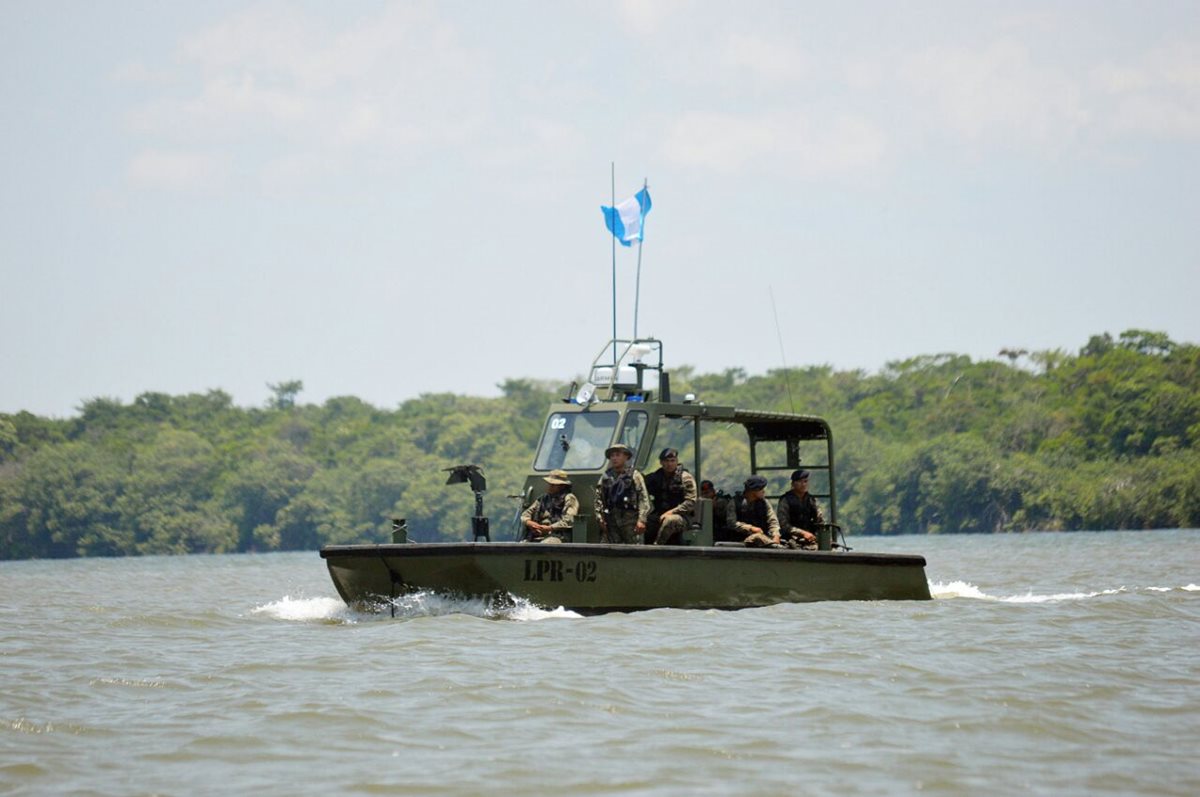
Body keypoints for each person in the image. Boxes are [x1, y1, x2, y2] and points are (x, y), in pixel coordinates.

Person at [594, 443, 649, 544]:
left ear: (626, 457)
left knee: (635, 552)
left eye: (618, 455)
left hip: (630, 522)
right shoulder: (606, 477)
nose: (614, 458)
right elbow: (598, 498)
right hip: (611, 523)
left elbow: (643, 498)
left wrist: (642, 520)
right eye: (612, 456)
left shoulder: (634, 475)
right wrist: (599, 518)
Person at [644, 448, 697, 545]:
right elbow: (641, 485)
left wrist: (671, 512)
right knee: (644, 521)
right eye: (666, 461)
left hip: (683, 517)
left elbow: (690, 503)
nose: (669, 464)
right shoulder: (656, 477)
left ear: (677, 461)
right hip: (659, 514)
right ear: (661, 462)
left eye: (672, 461)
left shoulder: (685, 478)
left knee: (670, 521)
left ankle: (657, 547)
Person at [520, 469, 579, 543]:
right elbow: (526, 514)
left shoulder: (569, 498)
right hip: (539, 534)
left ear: (562, 486)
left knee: (546, 544)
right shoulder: (543, 498)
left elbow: (569, 520)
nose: (550, 487)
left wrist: (550, 528)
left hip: (558, 536)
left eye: (554, 485)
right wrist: (530, 523)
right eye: (550, 484)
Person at [726, 475, 781, 547]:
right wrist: (751, 528)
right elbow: (731, 523)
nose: (763, 491)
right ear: (753, 491)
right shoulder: (735, 502)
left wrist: (776, 535)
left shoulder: (764, 502)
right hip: (740, 542)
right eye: (761, 489)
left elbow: (773, 521)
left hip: (763, 540)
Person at [777, 469, 825, 550]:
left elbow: (820, 521)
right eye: (800, 482)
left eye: (805, 481)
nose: (803, 485)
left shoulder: (811, 500)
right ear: (793, 484)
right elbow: (784, 524)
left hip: (810, 538)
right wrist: (802, 533)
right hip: (790, 538)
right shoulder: (785, 500)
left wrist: (822, 537)